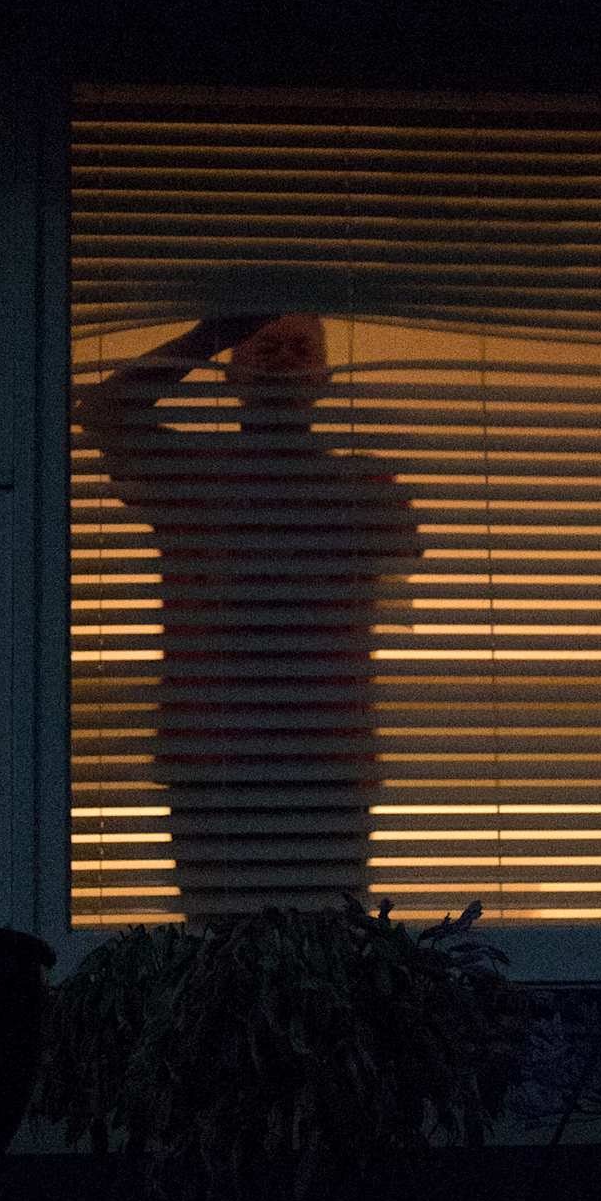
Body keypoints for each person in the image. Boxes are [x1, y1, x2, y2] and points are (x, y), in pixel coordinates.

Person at [73, 312, 423, 919]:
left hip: (322, 766)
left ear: (324, 378)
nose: (285, 358)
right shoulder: (190, 470)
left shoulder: (364, 482)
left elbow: (395, 587)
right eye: (267, 346)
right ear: (232, 369)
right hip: (217, 766)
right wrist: (213, 332)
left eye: (300, 348)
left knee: (320, 963)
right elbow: (105, 409)